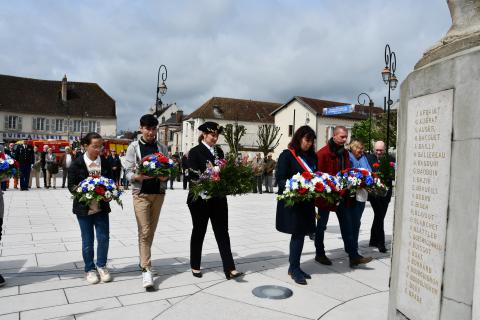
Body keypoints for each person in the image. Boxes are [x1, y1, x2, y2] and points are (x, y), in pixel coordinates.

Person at [187, 121, 243, 280]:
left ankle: (230, 267)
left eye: (217, 135)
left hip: (218, 198)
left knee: (222, 232)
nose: (215, 138)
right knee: (199, 231)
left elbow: (223, 172)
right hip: (200, 199)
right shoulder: (195, 152)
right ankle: (195, 264)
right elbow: (193, 175)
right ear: (204, 135)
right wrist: (211, 171)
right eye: (212, 135)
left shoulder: (219, 151)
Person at [314, 126, 372, 268]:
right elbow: (318, 176)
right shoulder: (322, 153)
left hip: (342, 195)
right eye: (342, 136)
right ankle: (319, 254)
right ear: (334, 136)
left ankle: (353, 256)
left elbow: (346, 172)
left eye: (346, 136)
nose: (345, 139)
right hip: (325, 196)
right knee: (321, 226)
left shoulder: (345, 153)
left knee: (347, 225)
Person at [123, 114, 169, 290]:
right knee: (144, 230)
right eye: (147, 128)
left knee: (151, 231)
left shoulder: (162, 147)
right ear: (141, 128)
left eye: (153, 128)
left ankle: (143, 261)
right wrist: (137, 176)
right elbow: (127, 172)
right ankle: (146, 269)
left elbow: (168, 169)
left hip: (158, 193)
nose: (150, 132)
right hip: (141, 194)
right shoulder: (133, 147)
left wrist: (166, 176)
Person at [68, 132, 113, 284]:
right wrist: (85, 192)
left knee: (103, 238)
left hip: (101, 208)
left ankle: (101, 265)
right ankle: (89, 269)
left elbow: (111, 182)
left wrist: (109, 194)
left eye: (100, 146)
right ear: (85, 146)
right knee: (87, 240)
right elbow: (71, 186)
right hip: (84, 208)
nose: (98, 149)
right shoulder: (77, 163)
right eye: (95, 146)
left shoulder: (104, 162)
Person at [276, 126, 317, 285]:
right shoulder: (287, 155)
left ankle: (294, 267)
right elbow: (280, 179)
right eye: (307, 140)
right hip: (293, 203)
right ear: (299, 138)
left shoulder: (313, 157)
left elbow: (315, 176)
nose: (309, 144)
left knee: (301, 235)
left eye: (311, 141)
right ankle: (294, 269)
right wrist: (295, 185)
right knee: (298, 235)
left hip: (307, 203)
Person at [347, 140, 373, 261]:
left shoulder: (363, 157)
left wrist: (369, 179)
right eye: (359, 149)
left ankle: (353, 247)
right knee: (354, 222)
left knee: (357, 222)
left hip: (362, 194)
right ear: (353, 148)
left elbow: (369, 171)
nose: (361, 151)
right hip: (352, 194)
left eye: (362, 149)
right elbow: (349, 173)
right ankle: (353, 249)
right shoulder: (349, 156)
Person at [367, 140, 393, 253]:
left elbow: (394, 174)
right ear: (374, 149)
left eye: (381, 150)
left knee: (379, 216)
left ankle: (373, 239)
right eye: (377, 150)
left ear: (385, 149)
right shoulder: (369, 159)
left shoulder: (391, 159)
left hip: (386, 193)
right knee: (379, 215)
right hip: (374, 193)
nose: (378, 152)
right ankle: (380, 243)